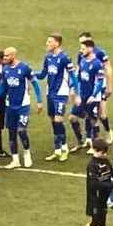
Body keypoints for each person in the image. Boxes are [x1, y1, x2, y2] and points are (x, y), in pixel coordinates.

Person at [0, 47, 43, 169]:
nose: (4, 58)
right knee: (11, 132)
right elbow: (2, 87)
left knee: (21, 131)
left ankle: (27, 153)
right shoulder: (5, 70)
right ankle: (15, 159)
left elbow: (35, 84)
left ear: (14, 55)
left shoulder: (25, 68)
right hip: (10, 105)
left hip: (23, 105)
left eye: (7, 56)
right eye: (4, 56)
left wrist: (39, 101)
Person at [74, 138, 113, 226]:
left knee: (103, 220)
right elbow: (94, 184)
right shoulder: (92, 166)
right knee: (96, 221)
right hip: (95, 197)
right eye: (103, 152)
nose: (105, 154)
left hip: (104, 196)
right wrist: (111, 185)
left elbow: (112, 172)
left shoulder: (105, 161)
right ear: (95, 150)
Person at [36, 34, 75, 162]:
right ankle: (57, 149)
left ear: (57, 43)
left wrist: (74, 90)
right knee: (53, 120)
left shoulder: (65, 58)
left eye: (49, 42)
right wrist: (29, 73)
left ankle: (64, 148)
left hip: (61, 93)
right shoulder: (48, 58)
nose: (47, 44)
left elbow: (73, 75)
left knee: (58, 120)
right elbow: (42, 75)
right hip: (50, 92)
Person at [70, 40, 106, 154]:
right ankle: (81, 141)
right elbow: (78, 79)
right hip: (83, 95)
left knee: (93, 120)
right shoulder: (82, 62)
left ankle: (96, 145)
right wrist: (77, 94)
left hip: (93, 97)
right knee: (72, 118)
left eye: (83, 48)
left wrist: (94, 95)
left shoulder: (97, 64)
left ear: (90, 49)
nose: (81, 51)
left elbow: (100, 82)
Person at [77, 32, 113, 143]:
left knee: (101, 114)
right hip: (87, 87)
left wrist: (109, 86)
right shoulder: (81, 54)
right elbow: (79, 69)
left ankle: (108, 131)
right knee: (89, 113)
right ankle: (90, 138)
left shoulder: (100, 53)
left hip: (100, 87)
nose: (82, 46)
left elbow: (108, 69)